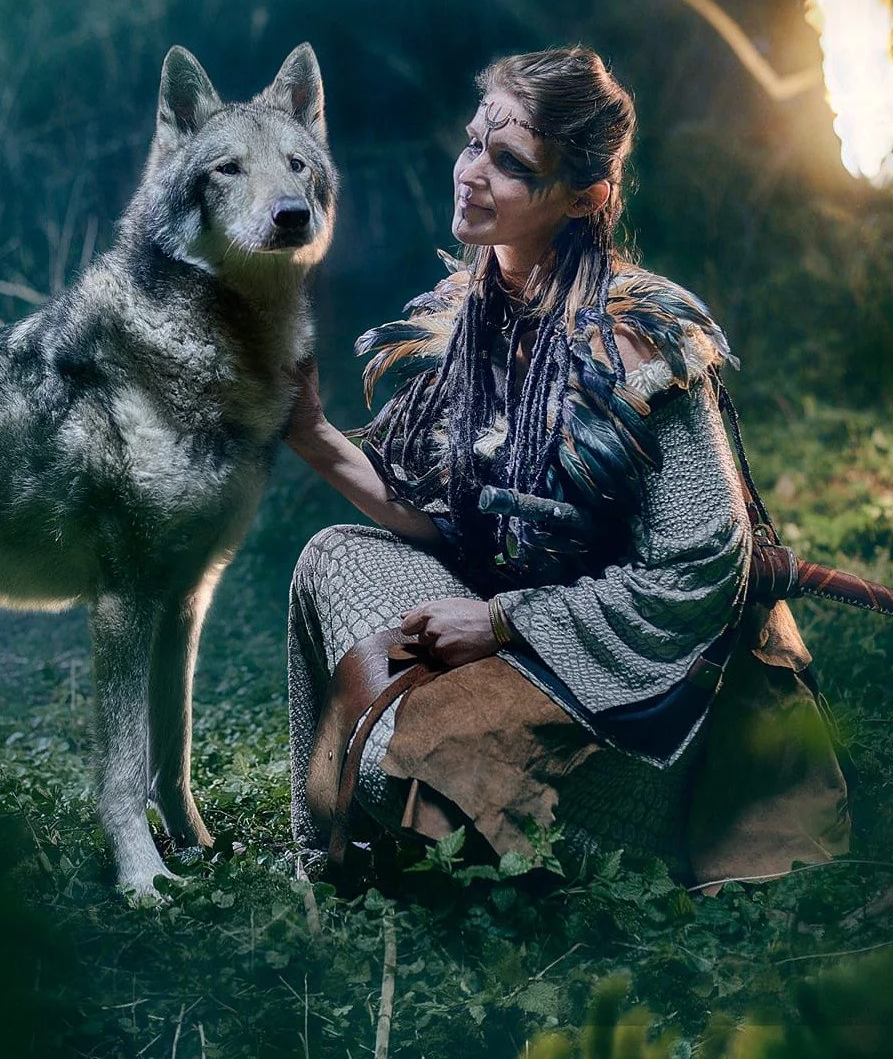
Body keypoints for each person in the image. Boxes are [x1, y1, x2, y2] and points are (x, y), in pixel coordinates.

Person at [284, 47, 847, 883]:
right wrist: (311, 432)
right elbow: (447, 518)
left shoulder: (640, 340)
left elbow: (700, 574)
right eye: (475, 142)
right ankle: (335, 853)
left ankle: (573, 842)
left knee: (384, 758)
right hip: (532, 642)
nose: (471, 172)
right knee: (329, 556)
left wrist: (504, 620)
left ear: (581, 199)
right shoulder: (475, 312)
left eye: (508, 163)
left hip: (640, 704)